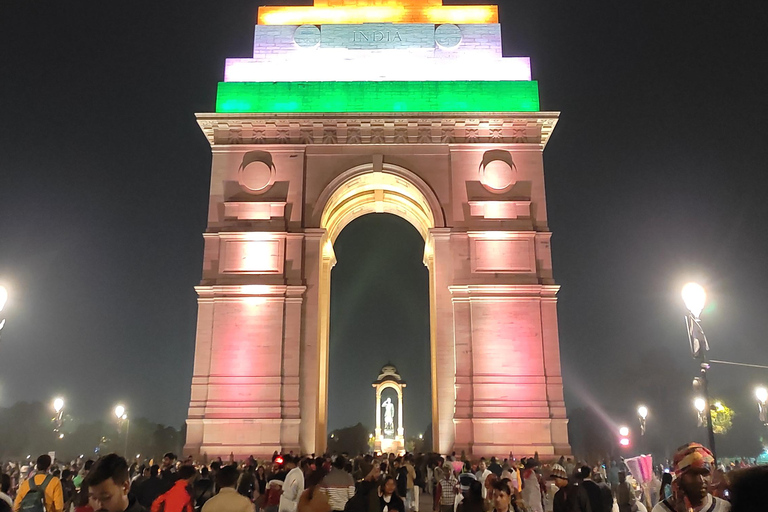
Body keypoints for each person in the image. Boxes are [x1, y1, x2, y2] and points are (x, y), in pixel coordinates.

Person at [651, 443, 729, 512]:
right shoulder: (662, 509)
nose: (701, 480)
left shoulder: (724, 508)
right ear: (680, 477)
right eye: (694, 474)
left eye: (705, 473)